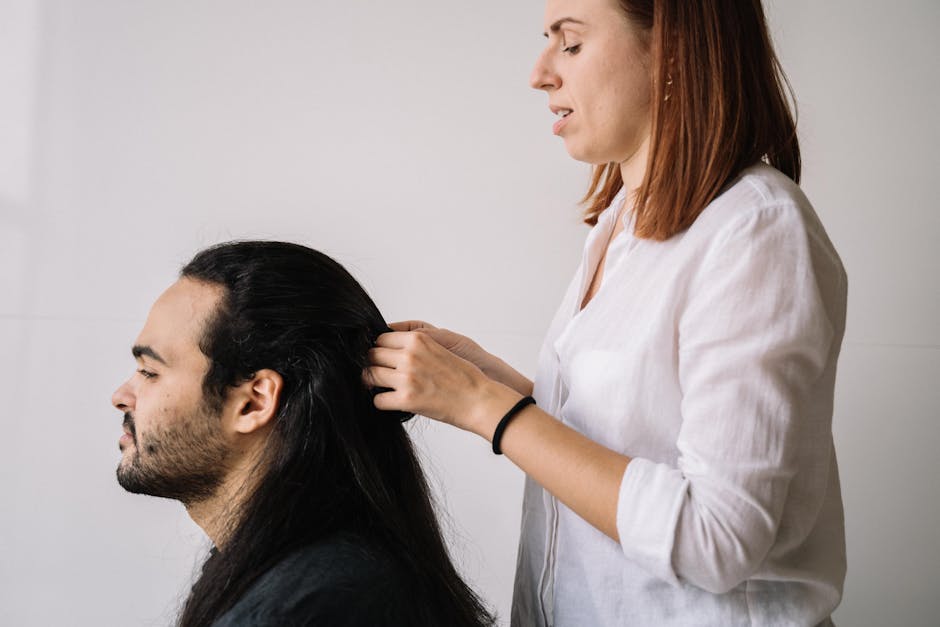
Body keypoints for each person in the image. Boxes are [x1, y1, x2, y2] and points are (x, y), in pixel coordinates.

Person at [364, 0, 847, 625]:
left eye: (570, 44)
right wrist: (490, 383)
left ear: (671, 52)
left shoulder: (755, 230)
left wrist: (487, 408)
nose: (539, 74)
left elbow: (718, 537)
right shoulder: (621, 223)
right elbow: (636, 442)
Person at [112, 240, 494, 627]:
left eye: (149, 372)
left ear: (254, 402)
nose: (121, 397)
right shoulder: (302, 575)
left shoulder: (310, 607)